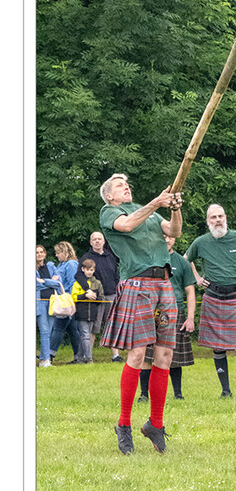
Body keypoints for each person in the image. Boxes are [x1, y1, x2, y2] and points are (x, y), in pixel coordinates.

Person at [99, 173, 183, 455]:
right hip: (137, 286)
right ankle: (124, 425)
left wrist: (174, 209)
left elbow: (174, 232)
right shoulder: (110, 212)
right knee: (137, 354)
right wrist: (157, 202)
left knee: (165, 355)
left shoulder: (145, 212)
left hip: (163, 285)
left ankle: (155, 424)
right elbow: (126, 226)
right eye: (120, 186)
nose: (126, 187)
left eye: (127, 185)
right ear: (109, 195)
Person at [185, 204, 236, 398]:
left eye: (221, 216)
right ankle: (225, 391)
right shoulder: (200, 242)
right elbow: (185, 260)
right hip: (212, 297)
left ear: (226, 217)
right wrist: (196, 278)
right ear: (207, 221)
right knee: (218, 346)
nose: (218, 220)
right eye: (213, 217)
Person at [138, 233, 197, 402]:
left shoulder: (182, 262)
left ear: (175, 238)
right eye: (162, 236)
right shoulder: (149, 259)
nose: (166, 239)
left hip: (175, 311)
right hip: (153, 312)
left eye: (169, 236)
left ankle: (178, 394)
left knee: (174, 356)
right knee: (148, 354)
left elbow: (190, 291)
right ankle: (144, 394)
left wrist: (190, 317)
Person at [75, 231, 123, 362]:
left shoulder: (111, 257)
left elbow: (116, 274)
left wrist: (117, 287)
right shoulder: (86, 258)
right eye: (94, 239)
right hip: (95, 298)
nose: (97, 241)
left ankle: (116, 355)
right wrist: (87, 290)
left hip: (112, 296)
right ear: (91, 242)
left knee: (113, 325)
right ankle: (87, 356)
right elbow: (79, 276)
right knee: (93, 327)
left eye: (99, 239)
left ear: (103, 241)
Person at [48, 241, 82, 363]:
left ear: (65, 252)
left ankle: (49, 355)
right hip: (63, 299)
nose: (56, 255)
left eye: (58, 252)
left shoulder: (71, 264)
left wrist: (71, 300)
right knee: (73, 330)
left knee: (58, 327)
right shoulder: (61, 264)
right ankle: (79, 356)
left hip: (66, 300)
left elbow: (73, 283)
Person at [36, 245, 61, 367]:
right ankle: (45, 360)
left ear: (45, 253)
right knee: (45, 331)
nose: (39, 254)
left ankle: (43, 358)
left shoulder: (51, 265)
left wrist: (44, 281)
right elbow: (36, 285)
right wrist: (51, 282)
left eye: (41, 252)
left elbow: (58, 283)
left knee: (50, 331)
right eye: (36, 252)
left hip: (52, 302)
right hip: (40, 302)